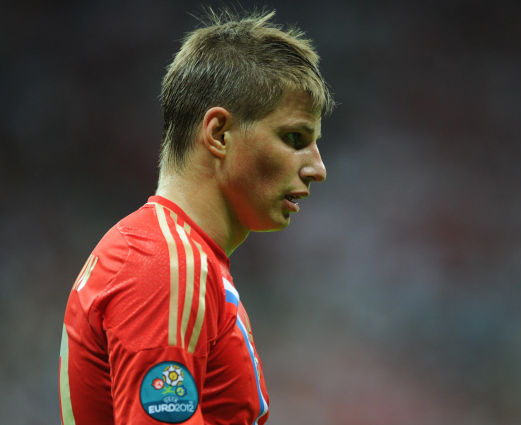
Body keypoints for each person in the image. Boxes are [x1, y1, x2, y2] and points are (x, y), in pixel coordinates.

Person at [59, 8, 334, 425]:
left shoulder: (172, 256)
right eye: (294, 138)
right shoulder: (166, 265)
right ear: (219, 133)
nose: (318, 168)